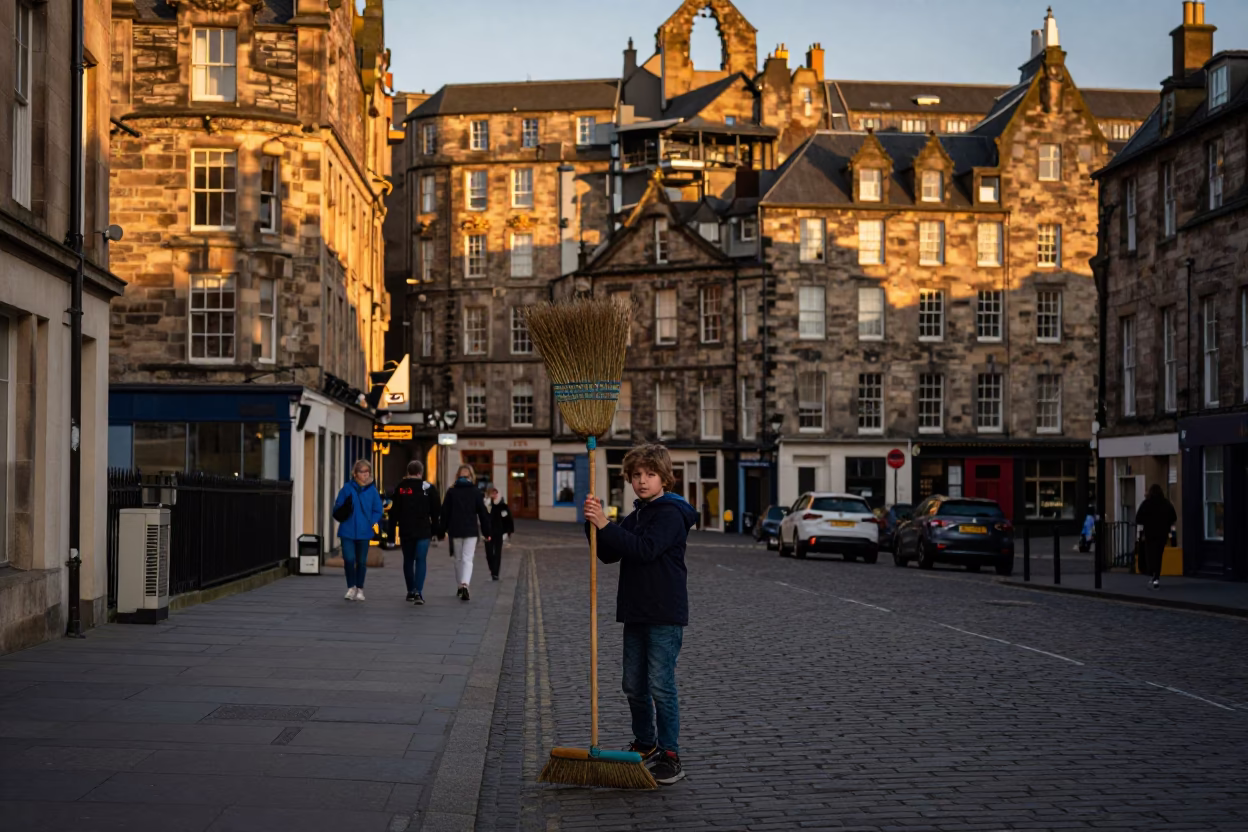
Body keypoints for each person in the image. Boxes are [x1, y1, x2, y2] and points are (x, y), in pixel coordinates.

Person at [583, 443, 698, 786]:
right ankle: (646, 744)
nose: (643, 481)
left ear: (664, 477)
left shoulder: (671, 513)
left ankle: (671, 754)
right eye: (637, 475)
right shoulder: (639, 513)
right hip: (635, 611)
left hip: (664, 611)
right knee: (633, 685)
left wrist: (606, 524)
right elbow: (609, 554)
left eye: (650, 475)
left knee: (660, 685)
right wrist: (592, 522)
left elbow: (645, 550)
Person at [390, 459, 442, 605]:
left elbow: (394, 512)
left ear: (408, 472)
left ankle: (410, 591)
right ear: (420, 472)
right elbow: (436, 511)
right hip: (423, 529)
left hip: (406, 529)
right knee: (421, 560)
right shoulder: (428, 488)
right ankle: (418, 591)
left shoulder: (401, 487)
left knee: (408, 560)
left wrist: (390, 535)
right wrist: (436, 530)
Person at [333, 459, 385, 602]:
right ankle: (351, 587)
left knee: (361, 561)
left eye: (367, 472)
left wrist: (371, 521)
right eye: (362, 472)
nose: (365, 475)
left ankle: (360, 588)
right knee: (349, 560)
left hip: (364, 532)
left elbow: (377, 509)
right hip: (347, 531)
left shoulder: (372, 491)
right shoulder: (347, 489)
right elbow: (337, 508)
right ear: (355, 474)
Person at [440, 464, 491, 601]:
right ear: (471, 477)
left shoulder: (451, 492)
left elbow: (444, 513)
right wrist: (487, 532)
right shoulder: (475, 492)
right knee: (468, 558)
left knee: (458, 559)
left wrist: (441, 531)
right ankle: (465, 585)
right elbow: (483, 513)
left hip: (455, 530)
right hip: (471, 530)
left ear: (457, 477)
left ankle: (459, 586)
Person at [1136, 484, 1177, 590]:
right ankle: (1156, 577)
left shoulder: (1147, 503)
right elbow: (1174, 517)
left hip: (1150, 533)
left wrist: (1147, 521)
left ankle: (1152, 575)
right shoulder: (1166, 503)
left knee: (1150, 554)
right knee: (1159, 555)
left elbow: (1138, 518)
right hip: (1162, 533)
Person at [483, 485, 514, 581]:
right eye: (492, 493)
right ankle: (492, 568)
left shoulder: (503, 506)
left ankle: (495, 573)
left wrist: (508, 532)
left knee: (497, 553)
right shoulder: (487, 505)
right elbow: (482, 518)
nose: (494, 495)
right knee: (489, 553)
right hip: (488, 532)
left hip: (499, 532)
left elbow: (508, 520)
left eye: (496, 493)